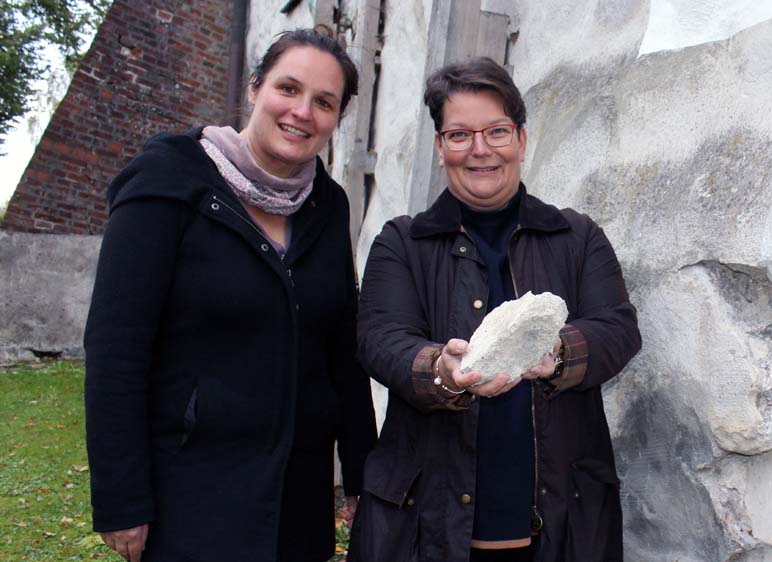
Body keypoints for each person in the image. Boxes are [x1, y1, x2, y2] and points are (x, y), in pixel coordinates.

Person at [84, 27, 377, 562]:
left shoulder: (327, 206)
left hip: (298, 494)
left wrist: (362, 471)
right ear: (255, 88)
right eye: (288, 89)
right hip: (191, 488)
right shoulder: (168, 179)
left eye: (324, 102)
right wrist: (121, 497)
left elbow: (341, 347)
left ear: (338, 117)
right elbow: (115, 347)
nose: (302, 112)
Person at [348, 57, 641, 562]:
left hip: (563, 531)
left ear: (522, 139)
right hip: (424, 530)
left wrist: (558, 354)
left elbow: (618, 329)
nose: (480, 149)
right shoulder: (402, 243)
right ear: (440, 148)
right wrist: (441, 370)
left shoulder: (578, 237)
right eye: (459, 134)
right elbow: (380, 338)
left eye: (497, 131)